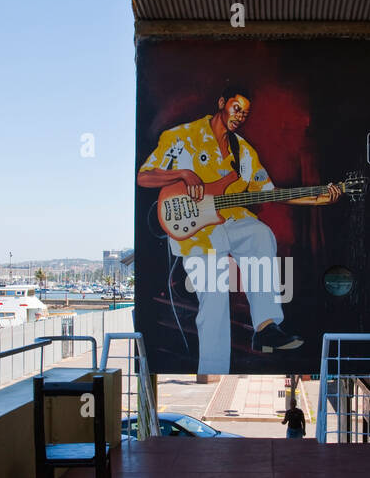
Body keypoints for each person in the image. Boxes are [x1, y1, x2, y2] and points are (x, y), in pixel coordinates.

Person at [137, 85, 341, 374]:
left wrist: (318, 198)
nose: (240, 116)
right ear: (222, 102)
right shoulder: (181, 137)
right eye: (236, 108)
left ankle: (266, 327)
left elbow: (270, 192)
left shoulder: (243, 152)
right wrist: (183, 173)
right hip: (195, 232)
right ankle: (214, 368)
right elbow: (144, 176)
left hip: (230, 221)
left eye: (245, 113)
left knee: (260, 234)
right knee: (215, 297)